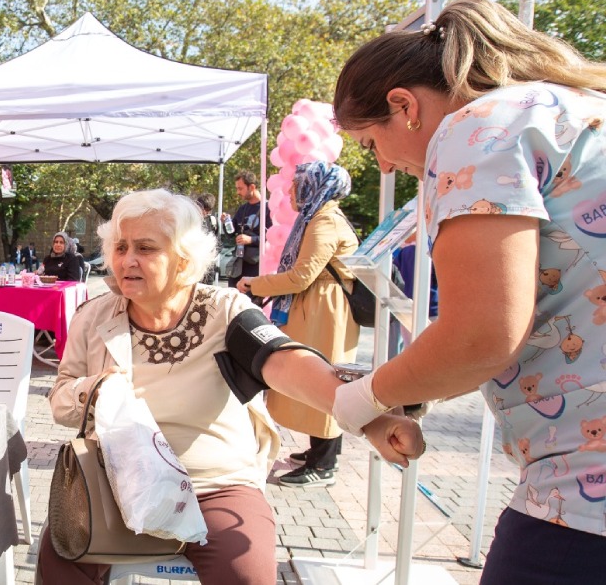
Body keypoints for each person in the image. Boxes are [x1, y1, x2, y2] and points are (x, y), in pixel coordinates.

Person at [329, 0, 606, 584]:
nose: (380, 167)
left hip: (584, 496)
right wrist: (416, 384)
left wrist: (365, 396)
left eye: (369, 143)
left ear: (403, 106)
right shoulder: (578, 112)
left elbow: (480, 334)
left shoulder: (474, 128)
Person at [39, 189, 423, 585]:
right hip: (118, 484)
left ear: (183, 261)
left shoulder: (225, 310)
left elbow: (283, 360)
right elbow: (60, 399)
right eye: (120, 247)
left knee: (246, 575)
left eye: (146, 248)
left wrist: (369, 417)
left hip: (215, 487)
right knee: (60, 553)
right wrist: (95, 390)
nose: (127, 260)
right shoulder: (94, 316)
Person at [237, 161, 359, 487]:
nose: (290, 191)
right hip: (317, 311)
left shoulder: (324, 221)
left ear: (312, 186)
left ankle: (324, 463)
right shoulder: (318, 217)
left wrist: (255, 285)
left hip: (324, 314)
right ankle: (318, 450)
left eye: (296, 185)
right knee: (314, 379)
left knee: (324, 379)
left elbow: (301, 276)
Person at [224, 170, 271, 291]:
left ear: (252, 187)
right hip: (239, 264)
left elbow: (272, 239)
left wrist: (251, 240)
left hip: (257, 266)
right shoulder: (242, 209)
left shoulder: (268, 209)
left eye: (240, 188)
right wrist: (226, 223)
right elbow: (231, 234)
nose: (238, 192)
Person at [196, 193, 220, 285]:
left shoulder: (212, 221)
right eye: (202, 209)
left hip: (207, 268)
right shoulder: (189, 219)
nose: (204, 212)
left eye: (208, 210)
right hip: (193, 266)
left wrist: (211, 255)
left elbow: (218, 243)